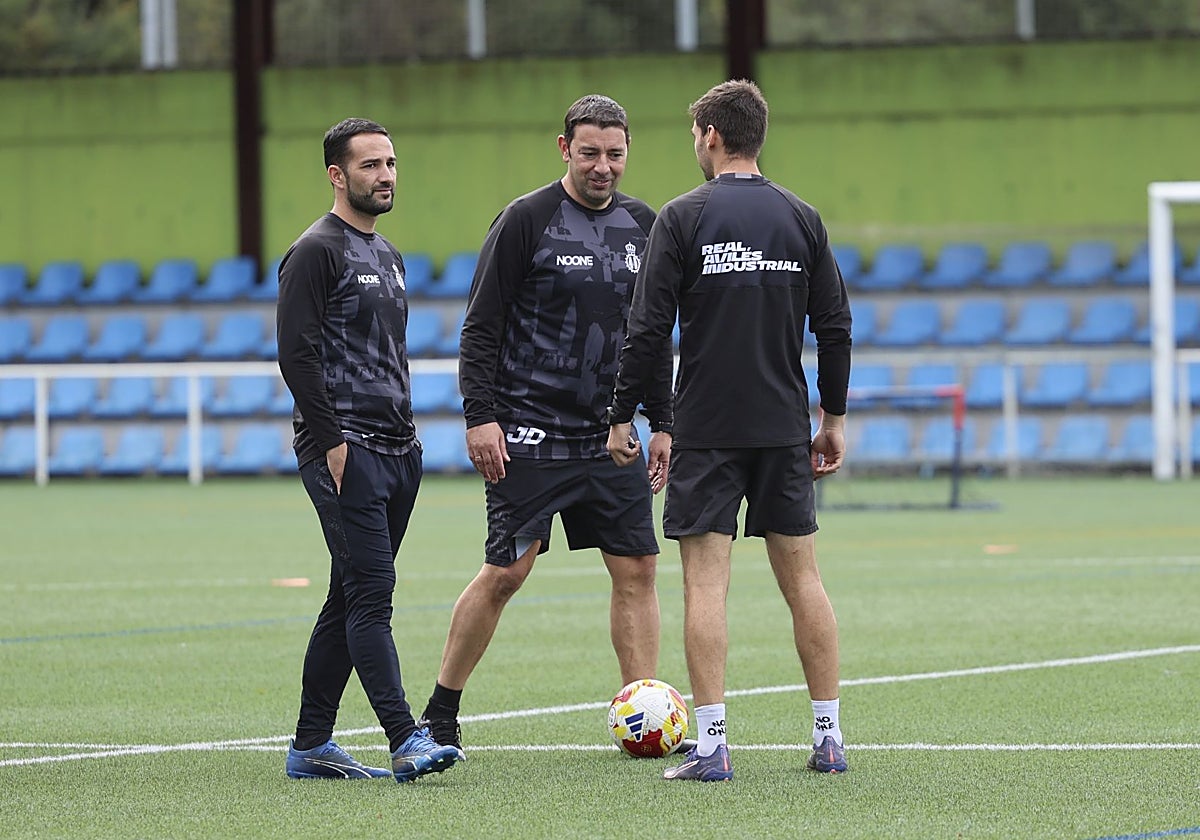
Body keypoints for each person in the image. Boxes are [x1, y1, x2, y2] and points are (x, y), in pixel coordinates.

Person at [417, 95, 680, 754]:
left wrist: (662, 421)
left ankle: (642, 713)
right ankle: (441, 710)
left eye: (614, 154)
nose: (602, 166)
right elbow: (481, 327)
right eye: (589, 153)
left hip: (612, 437)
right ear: (565, 149)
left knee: (638, 569)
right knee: (507, 572)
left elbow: (651, 336)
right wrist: (480, 418)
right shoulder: (525, 220)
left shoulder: (644, 225)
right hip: (529, 432)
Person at [606, 79, 853, 781]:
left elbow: (647, 330)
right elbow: (835, 325)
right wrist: (832, 417)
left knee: (705, 587)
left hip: (707, 430)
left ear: (711, 135)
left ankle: (712, 747)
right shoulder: (801, 217)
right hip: (782, 428)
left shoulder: (682, 217)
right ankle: (829, 738)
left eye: (696, 134)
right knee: (804, 581)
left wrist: (622, 415)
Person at [276, 117, 461, 783]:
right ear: (337, 175)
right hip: (345, 449)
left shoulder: (389, 255)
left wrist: (409, 442)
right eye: (370, 165)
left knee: (349, 594)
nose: (385, 176)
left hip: (398, 450)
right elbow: (295, 355)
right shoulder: (314, 251)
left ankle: (310, 746)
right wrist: (332, 443)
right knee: (373, 593)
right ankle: (405, 737)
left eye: (390, 163)